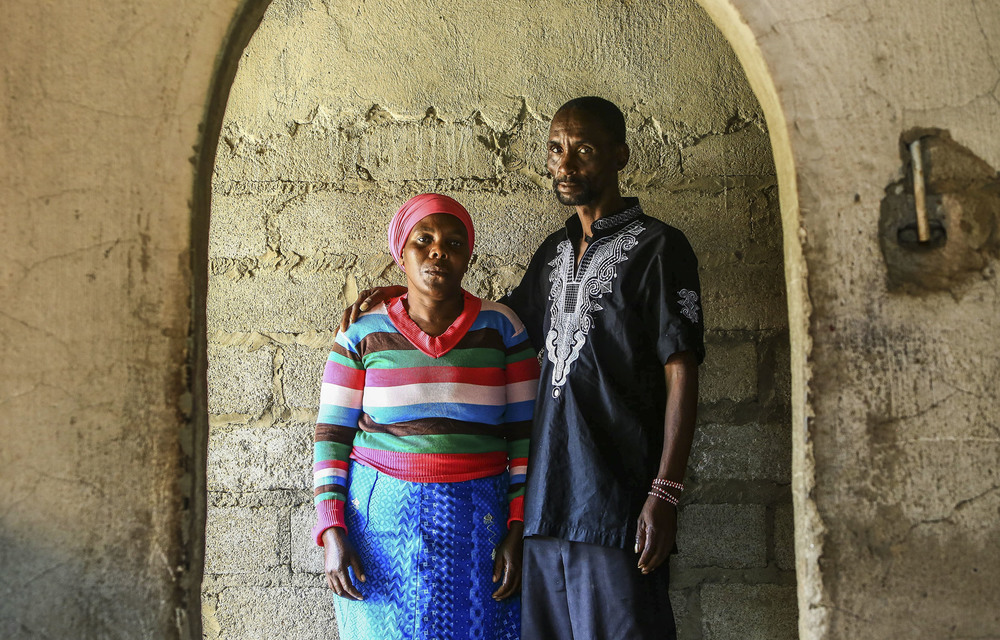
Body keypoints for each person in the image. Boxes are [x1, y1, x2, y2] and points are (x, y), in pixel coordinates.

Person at [343, 97, 703, 640]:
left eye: (582, 149)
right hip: (544, 504)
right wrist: (409, 292)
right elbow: (489, 323)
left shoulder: (660, 248)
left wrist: (666, 490)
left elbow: (683, 367)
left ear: (620, 155)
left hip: (617, 503)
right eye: (556, 149)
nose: (565, 164)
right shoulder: (554, 253)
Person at [313, 193, 539, 640]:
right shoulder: (362, 332)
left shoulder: (502, 329)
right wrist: (331, 531)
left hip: (480, 525)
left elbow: (527, 437)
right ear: (401, 252)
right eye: (424, 239)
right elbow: (331, 436)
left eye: (455, 243)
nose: (439, 250)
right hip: (377, 530)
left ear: (469, 257)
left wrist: (518, 528)